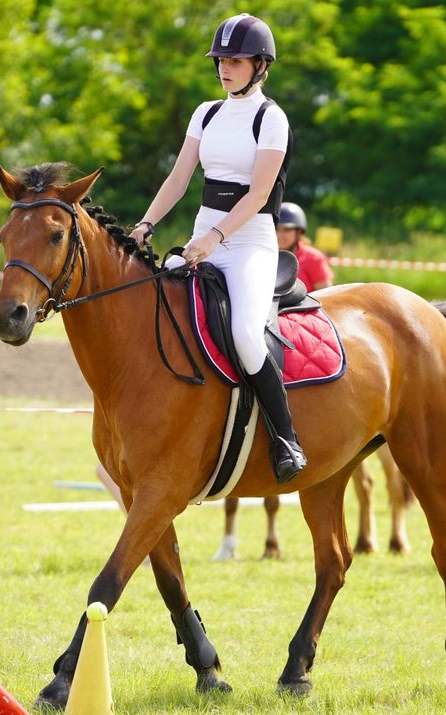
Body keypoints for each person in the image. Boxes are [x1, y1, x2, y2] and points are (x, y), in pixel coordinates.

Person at [128, 13, 304, 483]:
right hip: (201, 239)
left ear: (260, 65)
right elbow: (180, 178)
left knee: (246, 336)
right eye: (220, 60)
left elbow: (260, 194)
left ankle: (286, 438)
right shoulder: (205, 113)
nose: (225, 67)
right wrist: (146, 223)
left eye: (236, 60)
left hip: (248, 243)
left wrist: (214, 238)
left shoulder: (272, 118)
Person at [277, 202, 333, 291]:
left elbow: (327, 295)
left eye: (286, 230)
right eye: (276, 229)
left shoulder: (314, 258)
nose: (280, 235)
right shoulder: (264, 257)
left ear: (298, 232)